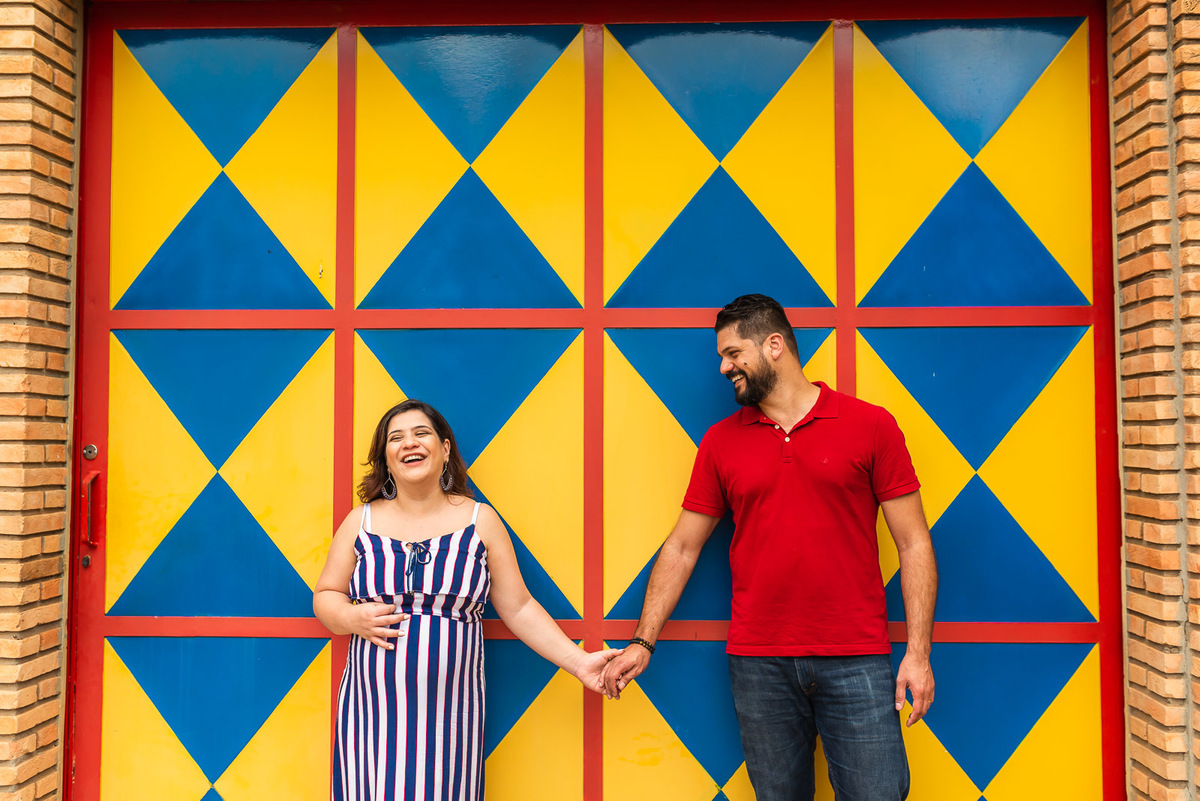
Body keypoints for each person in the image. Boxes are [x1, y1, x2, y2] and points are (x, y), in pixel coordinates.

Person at [601, 294, 937, 801]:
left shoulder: (871, 425)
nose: (723, 367)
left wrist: (918, 654)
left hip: (856, 657)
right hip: (759, 663)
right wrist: (643, 641)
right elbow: (682, 547)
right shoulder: (720, 442)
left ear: (774, 345)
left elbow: (912, 543)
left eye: (733, 353)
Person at [314, 399, 622, 801]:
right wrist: (350, 618)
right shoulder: (361, 521)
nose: (410, 443)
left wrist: (580, 662)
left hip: (449, 718)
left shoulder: (481, 521)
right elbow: (325, 596)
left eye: (421, 433)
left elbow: (519, 607)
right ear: (385, 460)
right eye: (396, 438)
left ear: (445, 450)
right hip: (371, 712)